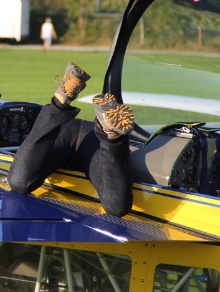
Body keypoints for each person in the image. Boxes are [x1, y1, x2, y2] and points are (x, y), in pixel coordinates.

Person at [7, 62, 134, 217]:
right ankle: (110, 133)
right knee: (117, 208)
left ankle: (63, 102)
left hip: (71, 132)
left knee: (20, 183)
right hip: (89, 135)